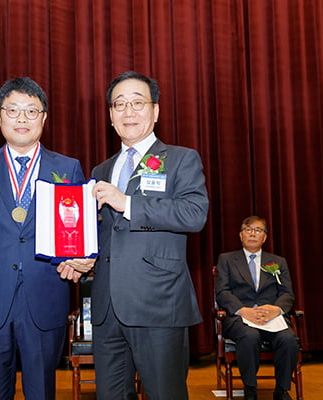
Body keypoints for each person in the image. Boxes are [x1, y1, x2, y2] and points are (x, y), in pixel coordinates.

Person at [61, 71, 209, 400]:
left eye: (138, 103)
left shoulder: (182, 159)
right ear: (111, 115)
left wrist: (126, 202)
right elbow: (105, 233)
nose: (129, 112)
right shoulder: (101, 169)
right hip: (106, 307)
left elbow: (194, 214)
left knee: (164, 394)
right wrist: (86, 257)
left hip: (158, 303)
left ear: (155, 111)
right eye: (119, 104)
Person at [0, 77, 86, 400]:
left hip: (45, 294)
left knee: (41, 390)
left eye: (31, 111)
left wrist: (80, 260)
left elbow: (77, 233)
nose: (22, 119)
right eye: (13, 110)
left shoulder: (67, 168)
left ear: (44, 118)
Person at [215, 216, 299, 400]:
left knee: (288, 339)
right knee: (250, 336)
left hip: (271, 317)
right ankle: (250, 389)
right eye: (248, 229)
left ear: (265, 237)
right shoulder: (227, 259)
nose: (253, 233)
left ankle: (282, 390)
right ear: (240, 235)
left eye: (258, 230)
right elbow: (222, 292)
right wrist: (243, 311)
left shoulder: (278, 261)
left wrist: (276, 310)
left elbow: (287, 294)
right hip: (240, 318)